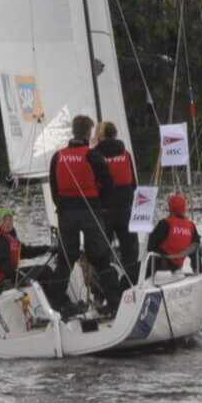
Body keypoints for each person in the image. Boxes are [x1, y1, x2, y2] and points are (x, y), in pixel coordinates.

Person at [49, 114, 118, 311]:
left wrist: (62, 205)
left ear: (73, 131)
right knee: (100, 257)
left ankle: (56, 303)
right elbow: (109, 184)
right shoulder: (93, 156)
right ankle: (114, 302)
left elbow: (54, 187)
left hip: (66, 213)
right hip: (90, 211)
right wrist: (100, 205)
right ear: (88, 133)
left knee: (66, 258)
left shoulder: (58, 156)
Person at [91, 120, 140, 279]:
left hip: (104, 210)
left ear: (99, 135)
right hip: (125, 209)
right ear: (115, 134)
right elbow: (133, 184)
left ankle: (106, 285)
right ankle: (131, 282)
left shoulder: (94, 156)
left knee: (102, 252)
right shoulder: (126, 154)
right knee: (130, 251)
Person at [147, 192, 200, 274]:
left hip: (160, 265)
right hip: (177, 266)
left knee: (131, 269)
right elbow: (195, 248)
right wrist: (198, 268)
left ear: (170, 208)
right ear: (184, 208)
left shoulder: (165, 223)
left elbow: (150, 246)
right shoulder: (191, 226)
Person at [0, 206, 26, 293]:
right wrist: (22, 279)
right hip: (4, 282)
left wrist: (48, 249)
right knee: (45, 272)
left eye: (10, 220)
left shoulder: (10, 237)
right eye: (4, 220)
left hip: (12, 276)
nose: (8, 223)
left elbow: (25, 252)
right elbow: (3, 264)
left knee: (44, 271)